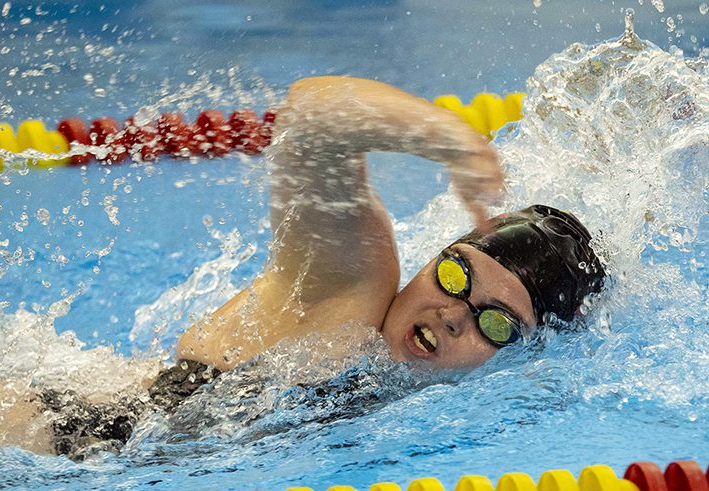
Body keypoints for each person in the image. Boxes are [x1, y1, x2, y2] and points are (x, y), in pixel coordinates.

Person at [45, 77, 606, 456]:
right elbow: (310, 116)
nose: (452, 314)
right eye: (456, 275)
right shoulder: (352, 291)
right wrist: (452, 140)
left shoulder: (425, 402)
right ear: (434, 257)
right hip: (44, 433)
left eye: (496, 323)